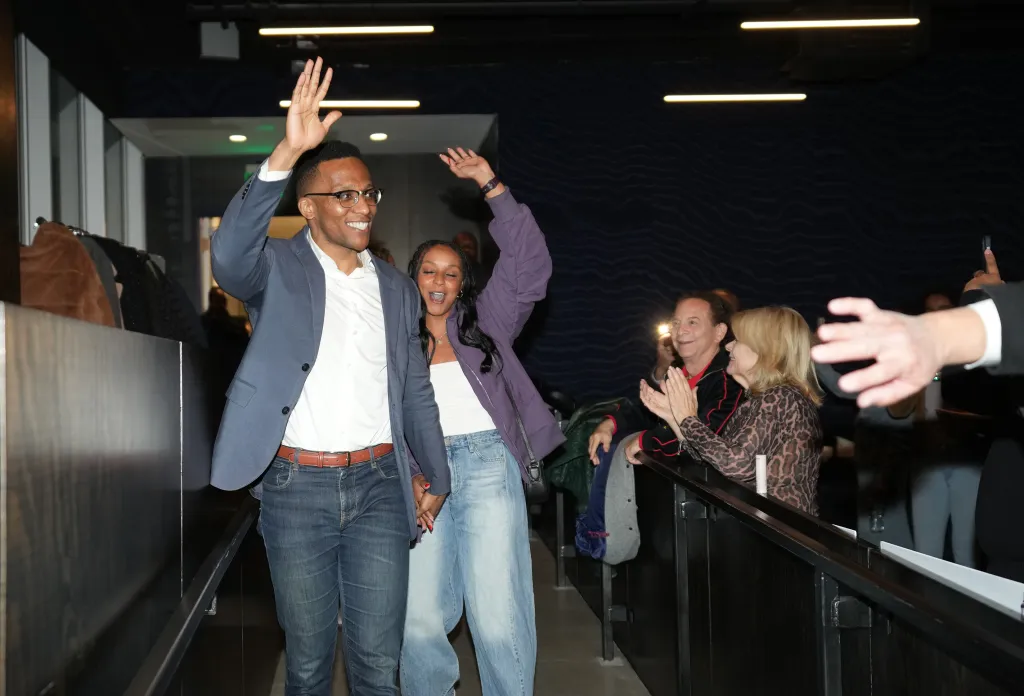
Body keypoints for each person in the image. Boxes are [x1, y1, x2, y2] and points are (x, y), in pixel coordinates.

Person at [208, 57, 449, 696]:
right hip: (295, 488)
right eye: (345, 195)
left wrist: (438, 474)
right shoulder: (276, 270)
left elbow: (413, 387)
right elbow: (228, 259)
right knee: (310, 666)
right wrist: (286, 152)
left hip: (378, 486)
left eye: (369, 192)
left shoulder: (397, 289)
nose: (363, 206)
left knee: (377, 667)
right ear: (309, 207)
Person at [401, 147, 564, 696]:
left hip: (489, 464)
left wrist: (491, 184)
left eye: (451, 272)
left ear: (463, 282)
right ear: (414, 278)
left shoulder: (486, 322)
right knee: (418, 617)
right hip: (423, 474)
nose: (440, 280)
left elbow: (530, 263)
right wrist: (409, 473)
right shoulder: (394, 339)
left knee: (497, 615)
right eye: (429, 270)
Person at [645, 307, 823, 514]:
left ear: (766, 351)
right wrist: (676, 420)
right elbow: (714, 460)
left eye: (737, 340)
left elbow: (737, 465)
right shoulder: (762, 400)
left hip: (779, 533)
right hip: (767, 529)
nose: (728, 346)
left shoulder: (781, 397)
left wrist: (687, 418)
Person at [811, 249, 1013, 406]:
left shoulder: (977, 362)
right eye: (930, 311)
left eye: (943, 309)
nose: (936, 316)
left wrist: (987, 303)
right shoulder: (916, 358)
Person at [591, 291, 744, 466]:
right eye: (676, 323)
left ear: (719, 332)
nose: (680, 330)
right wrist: (609, 424)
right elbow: (645, 411)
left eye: (692, 322)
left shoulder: (729, 381)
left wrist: (646, 440)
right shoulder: (676, 373)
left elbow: (705, 436)